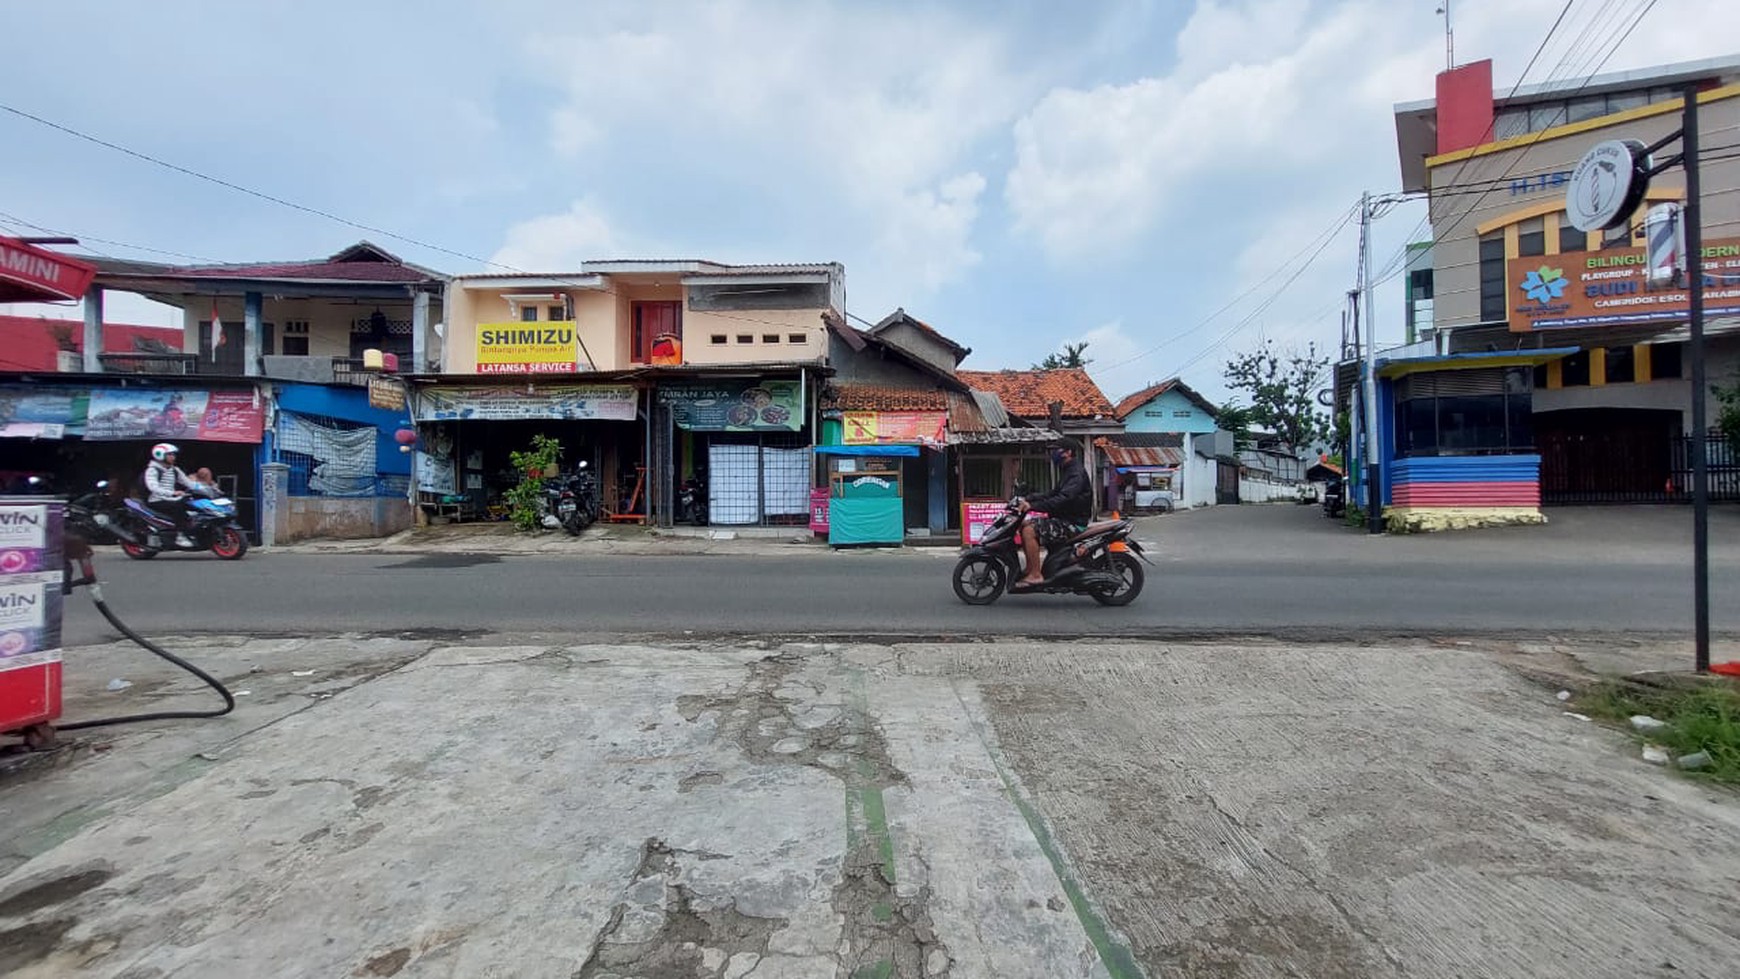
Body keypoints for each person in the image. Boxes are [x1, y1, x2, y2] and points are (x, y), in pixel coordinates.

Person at [1015, 439, 1093, 587]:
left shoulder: (1075, 473)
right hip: (1064, 519)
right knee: (1023, 524)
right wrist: (1031, 498)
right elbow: (1054, 493)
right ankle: (1030, 568)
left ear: (1068, 452)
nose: (1053, 454)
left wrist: (1032, 506)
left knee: (1029, 531)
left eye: (1056, 450)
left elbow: (1063, 499)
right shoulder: (1068, 470)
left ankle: (1036, 575)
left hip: (1072, 523)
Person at [143, 442, 199, 547]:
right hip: (157, 500)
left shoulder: (175, 469)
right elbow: (153, 487)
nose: (173, 457)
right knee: (178, 507)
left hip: (173, 498)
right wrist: (172, 493)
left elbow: (189, 483)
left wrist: (207, 489)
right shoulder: (152, 470)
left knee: (194, 503)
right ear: (160, 455)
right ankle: (180, 536)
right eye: (170, 454)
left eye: (173, 454)